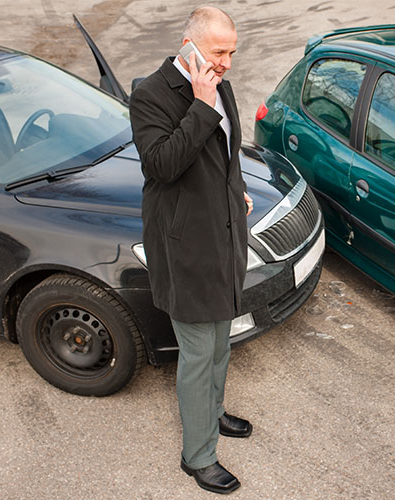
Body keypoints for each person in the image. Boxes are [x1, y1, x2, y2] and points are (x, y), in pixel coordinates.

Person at [129, 6, 253, 495]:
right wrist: (201, 103)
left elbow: (227, 148)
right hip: (185, 245)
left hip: (222, 231)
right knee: (200, 350)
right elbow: (162, 165)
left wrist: (234, 187)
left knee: (221, 337)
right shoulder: (151, 94)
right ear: (190, 44)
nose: (226, 63)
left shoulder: (219, 81)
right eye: (219, 52)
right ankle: (197, 455)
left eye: (232, 53)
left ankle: (214, 411)